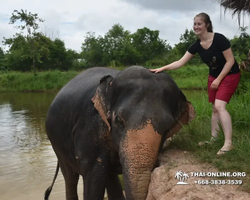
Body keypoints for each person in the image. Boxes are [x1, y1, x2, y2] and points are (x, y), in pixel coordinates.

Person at [149, 12, 240, 155]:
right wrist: (161, 68)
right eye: (194, 24)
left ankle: (228, 143)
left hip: (229, 75)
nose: (196, 27)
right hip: (214, 76)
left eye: (199, 24)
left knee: (220, 106)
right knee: (214, 109)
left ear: (207, 25)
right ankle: (213, 139)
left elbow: (231, 61)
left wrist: (219, 79)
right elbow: (180, 62)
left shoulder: (219, 39)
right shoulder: (197, 45)